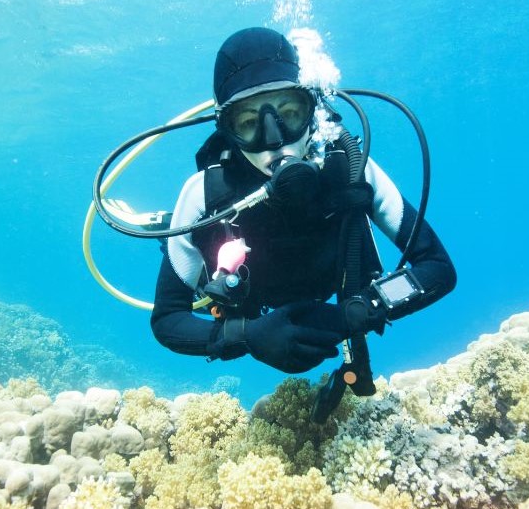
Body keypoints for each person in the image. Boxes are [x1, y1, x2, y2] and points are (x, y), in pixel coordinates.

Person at [150, 27, 456, 377]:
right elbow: (168, 319)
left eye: (290, 113)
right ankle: (167, 229)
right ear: (227, 129)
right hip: (244, 294)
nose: (275, 140)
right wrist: (244, 335)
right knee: (184, 242)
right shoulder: (205, 194)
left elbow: (437, 268)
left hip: (332, 288)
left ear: (312, 110)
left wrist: (362, 311)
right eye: (249, 123)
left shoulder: (352, 168)